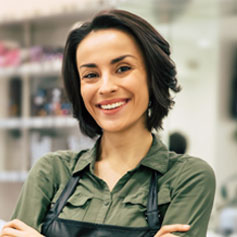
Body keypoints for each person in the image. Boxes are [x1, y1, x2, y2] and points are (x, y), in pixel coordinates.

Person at [0, 9, 215, 237]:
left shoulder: (188, 178)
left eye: (122, 69)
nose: (106, 87)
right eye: (91, 75)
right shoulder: (51, 172)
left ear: (152, 76)